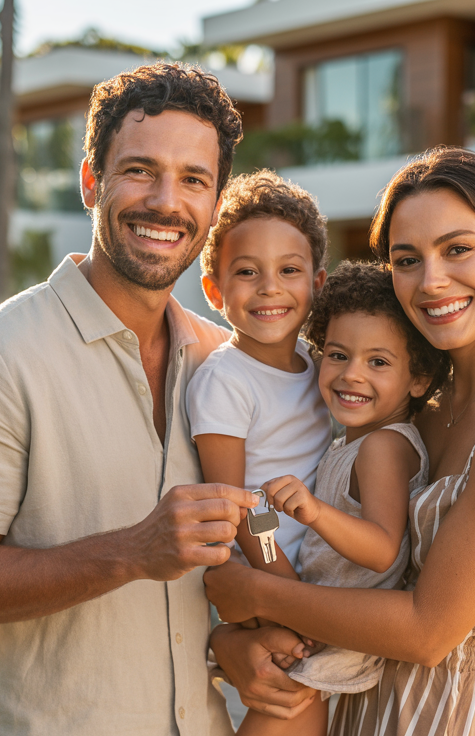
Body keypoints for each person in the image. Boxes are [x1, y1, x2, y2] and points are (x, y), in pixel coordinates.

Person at [0, 61, 289, 736]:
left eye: (194, 180)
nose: (166, 202)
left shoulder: (221, 362)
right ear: (92, 182)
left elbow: (209, 575)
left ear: (214, 203)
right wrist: (130, 551)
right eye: (140, 170)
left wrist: (229, 644)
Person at [205, 146, 475, 735]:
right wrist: (237, 639)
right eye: (407, 259)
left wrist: (253, 593)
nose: (431, 281)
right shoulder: (417, 404)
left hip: (455, 715)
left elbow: (428, 632)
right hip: (360, 698)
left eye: (458, 249)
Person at [245, 261, 450, 736]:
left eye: (378, 362)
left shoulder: (383, 447)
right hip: (316, 626)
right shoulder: (351, 443)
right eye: (337, 355)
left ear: (419, 379)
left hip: (336, 639)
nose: (351, 374)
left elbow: (381, 550)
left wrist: (314, 512)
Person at [188, 169, 332, 586]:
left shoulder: (317, 363)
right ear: (215, 293)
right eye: (248, 272)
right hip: (267, 578)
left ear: (316, 284)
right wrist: (286, 595)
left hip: (321, 567)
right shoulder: (225, 382)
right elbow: (236, 507)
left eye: (289, 270)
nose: (270, 288)